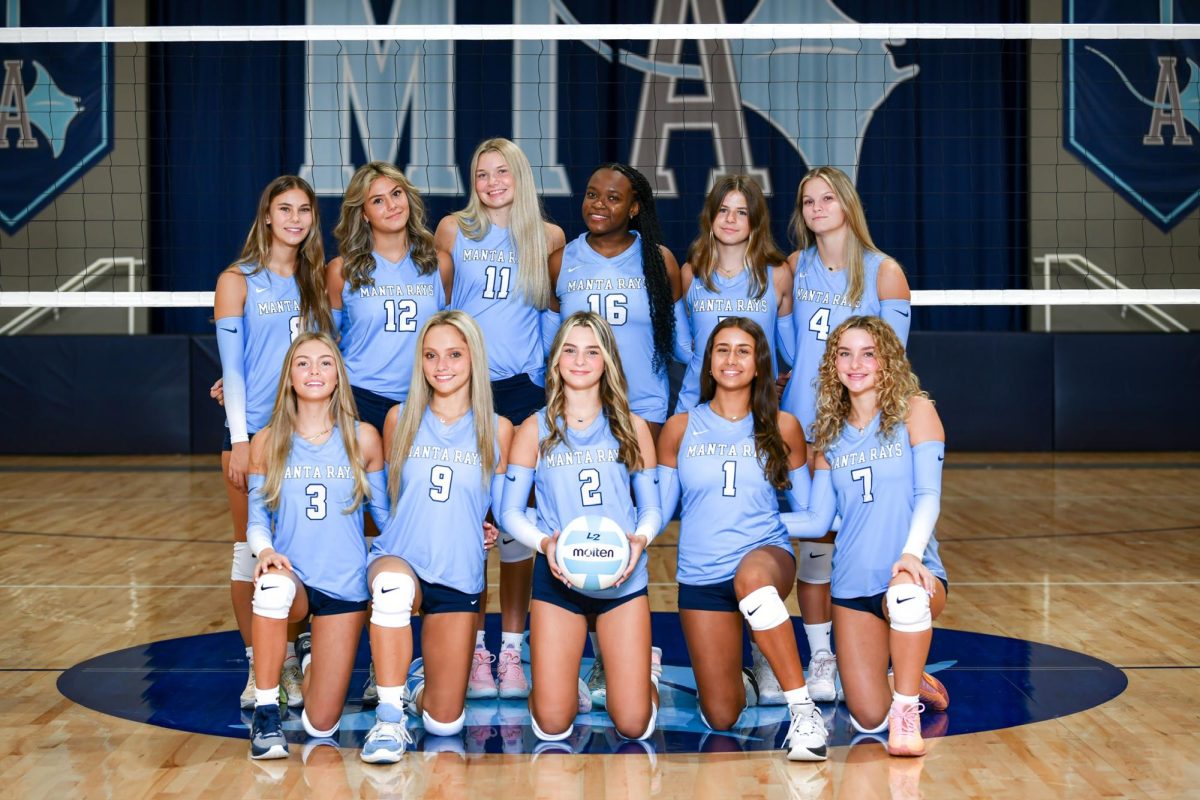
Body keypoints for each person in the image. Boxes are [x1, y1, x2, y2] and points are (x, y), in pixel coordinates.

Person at [658, 317, 828, 761]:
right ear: (708, 362)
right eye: (722, 349)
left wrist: (763, 524)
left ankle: (803, 713)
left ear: (759, 364)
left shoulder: (783, 427)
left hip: (765, 558)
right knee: (721, 715)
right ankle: (752, 675)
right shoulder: (679, 429)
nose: (731, 359)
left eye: (743, 350)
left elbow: (811, 516)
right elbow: (658, 512)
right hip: (702, 571)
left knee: (753, 581)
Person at [436, 138, 565, 700]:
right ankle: (474, 650)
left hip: (524, 389)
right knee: (470, 524)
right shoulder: (452, 230)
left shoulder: (549, 236)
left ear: (520, 174)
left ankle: (512, 649)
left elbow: (554, 314)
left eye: (501, 172)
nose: (491, 182)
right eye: (481, 173)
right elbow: (434, 310)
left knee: (516, 526)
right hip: (468, 389)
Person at [547, 162, 681, 705]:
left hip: (638, 408)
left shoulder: (660, 262)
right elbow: (547, 334)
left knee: (626, 521)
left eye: (613, 197)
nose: (598, 203)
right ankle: (579, 648)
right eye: (591, 193)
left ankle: (622, 652)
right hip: (576, 409)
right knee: (577, 517)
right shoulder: (562, 258)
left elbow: (677, 337)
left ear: (634, 208)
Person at [778, 166, 912, 703]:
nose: (816, 208)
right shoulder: (794, 267)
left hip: (861, 432)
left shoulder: (884, 272)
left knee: (859, 545)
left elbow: (894, 361)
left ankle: (880, 653)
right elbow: (787, 344)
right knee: (816, 542)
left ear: (847, 205)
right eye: (808, 200)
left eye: (827, 198)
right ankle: (821, 656)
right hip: (806, 426)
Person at [499, 311, 663, 745]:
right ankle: (564, 675)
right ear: (555, 361)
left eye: (592, 351)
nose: (580, 360)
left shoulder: (633, 425)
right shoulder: (534, 428)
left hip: (622, 580)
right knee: (552, 724)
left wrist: (640, 539)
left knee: (633, 724)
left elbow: (652, 509)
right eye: (569, 350)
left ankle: (641, 671)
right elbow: (509, 512)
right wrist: (545, 543)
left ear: (607, 360)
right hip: (559, 579)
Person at [791, 315, 950, 757]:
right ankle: (911, 677)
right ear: (833, 363)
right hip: (852, 585)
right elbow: (816, 519)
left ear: (887, 361)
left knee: (906, 599)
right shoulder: (829, 434)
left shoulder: (916, 411)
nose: (855, 364)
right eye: (845, 354)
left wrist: (911, 555)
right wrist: (753, 523)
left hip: (912, 573)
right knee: (866, 718)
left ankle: (907, 713)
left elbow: (928, 497)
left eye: (868, 354)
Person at [358, 311, 512, 763]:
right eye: (430, 355)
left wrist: (493, 526)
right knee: (393, 589)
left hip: (458, 570)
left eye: (453, 354)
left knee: (446, 722)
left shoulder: (498, 430)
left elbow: (503, 510)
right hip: (401, 556)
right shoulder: (400, 418)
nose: (441, 365)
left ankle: (417, 688)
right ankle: (388, 720)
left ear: (473, 359)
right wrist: (399, 531)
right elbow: (383, 499)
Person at [214, 175, 332, 710]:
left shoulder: (317, 282)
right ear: (266, 216)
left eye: (303, 209)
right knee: (250, 553)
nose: (294, 219)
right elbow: (233, 371)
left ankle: (302, 642)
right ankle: (261, 664)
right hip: (256, 435)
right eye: (284, 209)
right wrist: (241, 440)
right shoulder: (238, 280)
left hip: (311, 432)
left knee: (311, 543)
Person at [243, 332, 387, 760]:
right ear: (289, 376)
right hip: (295, 579)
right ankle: (266, 713)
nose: (314, 371)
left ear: (339, 376)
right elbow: (255, 519)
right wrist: (265, 551)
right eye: (302, 363)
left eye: (325, 363)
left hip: (345, 585)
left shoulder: (363, 438)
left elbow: (388, 522)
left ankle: (309, 659)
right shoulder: (267, 441)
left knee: (321, 722)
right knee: (271, 586)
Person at [327, 161, 452, 433]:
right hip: (358, 398)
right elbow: (324, 341)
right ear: (363, 214)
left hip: (421, 399)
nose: (392, 205)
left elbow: (450, 336)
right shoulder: (342, 270)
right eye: (378, 201)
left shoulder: (438, 265)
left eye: (396, 194)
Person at [675, 175, 793, 413]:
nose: (730, 219)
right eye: (723, 210)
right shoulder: (691, 273)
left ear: (756, 220)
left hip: (758, 408)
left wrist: (788, 379)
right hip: (696, 404)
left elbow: (791, 350)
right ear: (710, 216)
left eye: (742, 212)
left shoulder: (778, 274)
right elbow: (681, 347)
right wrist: (721, 368)